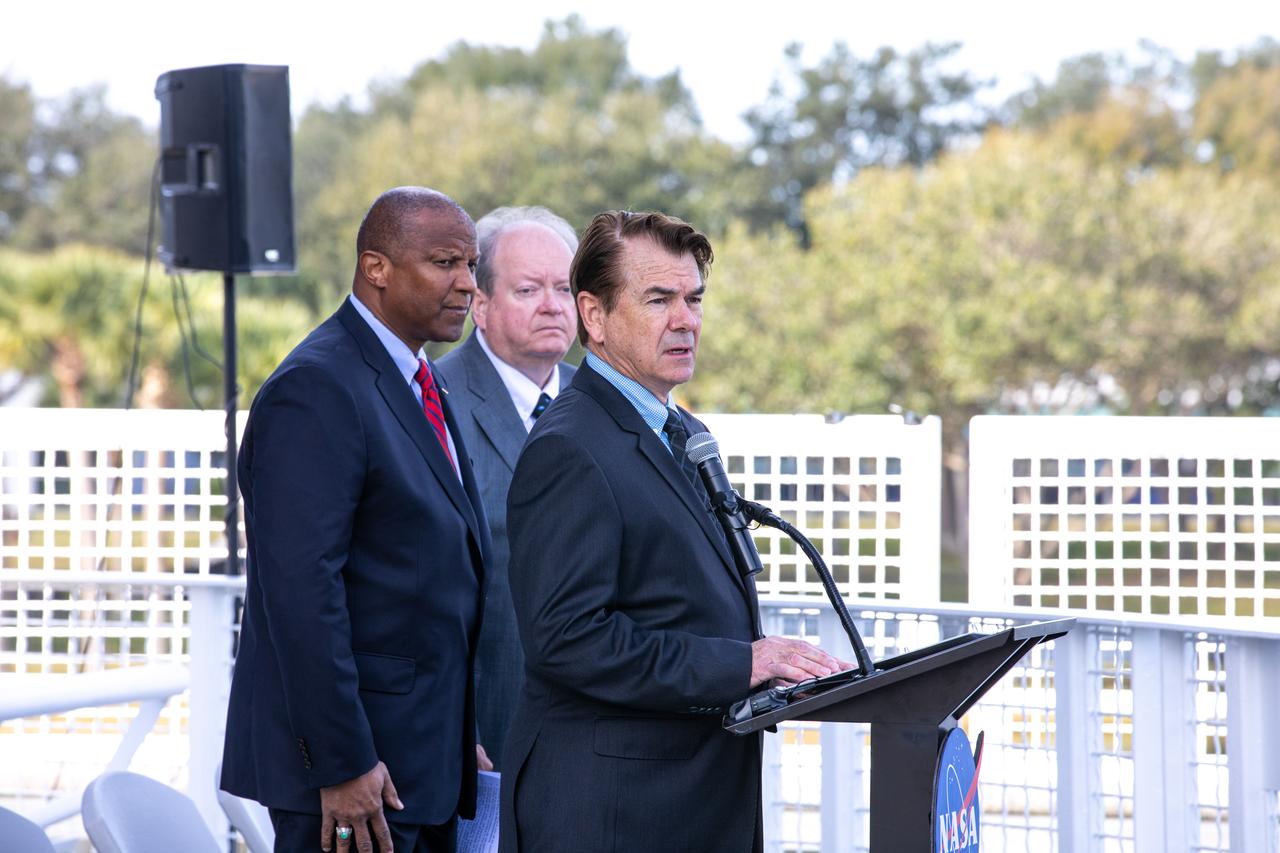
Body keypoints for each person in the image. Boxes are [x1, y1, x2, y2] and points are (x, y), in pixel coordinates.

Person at [500, 211, 848, 852]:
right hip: (611, 814)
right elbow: (567, 638)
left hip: (692, 803)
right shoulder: (571, 447)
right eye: (658, 299)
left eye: (694, 299)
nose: (685, 319)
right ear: (594, 317)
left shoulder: (681, 429)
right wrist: (741, 663)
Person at [221, 187, 489, 853]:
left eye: (472, 265)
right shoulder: (316, 388)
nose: (466, 285)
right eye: (445, 262)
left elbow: (419, 574)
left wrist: (456, 736)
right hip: (350, 785)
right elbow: (301, 593)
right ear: (377, 268)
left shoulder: (418, 380)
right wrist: (340, 762)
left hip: (420, 767)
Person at [436, 206, 578, 770]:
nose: (552, 304)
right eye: (528, 289)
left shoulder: (604, 405)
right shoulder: (431, 400)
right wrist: (451, 730)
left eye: (565, 289)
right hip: (475, 737)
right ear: (481, 306)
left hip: (590, 739)